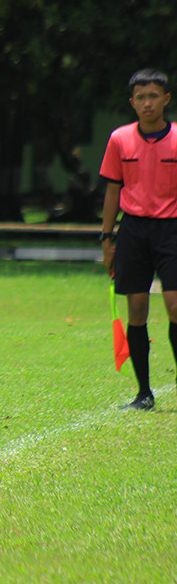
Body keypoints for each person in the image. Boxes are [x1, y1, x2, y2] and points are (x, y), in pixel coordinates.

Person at [99, 67, 177, 411]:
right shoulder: (119, 139)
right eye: (141, 97)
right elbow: (113, 190)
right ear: (132, 102)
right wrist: (106, 238)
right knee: (137, 309)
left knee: (175, 306)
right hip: (132, 231)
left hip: (171, 230)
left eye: (154, 96)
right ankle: (143, 393)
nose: (148, 103)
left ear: (166, 99)